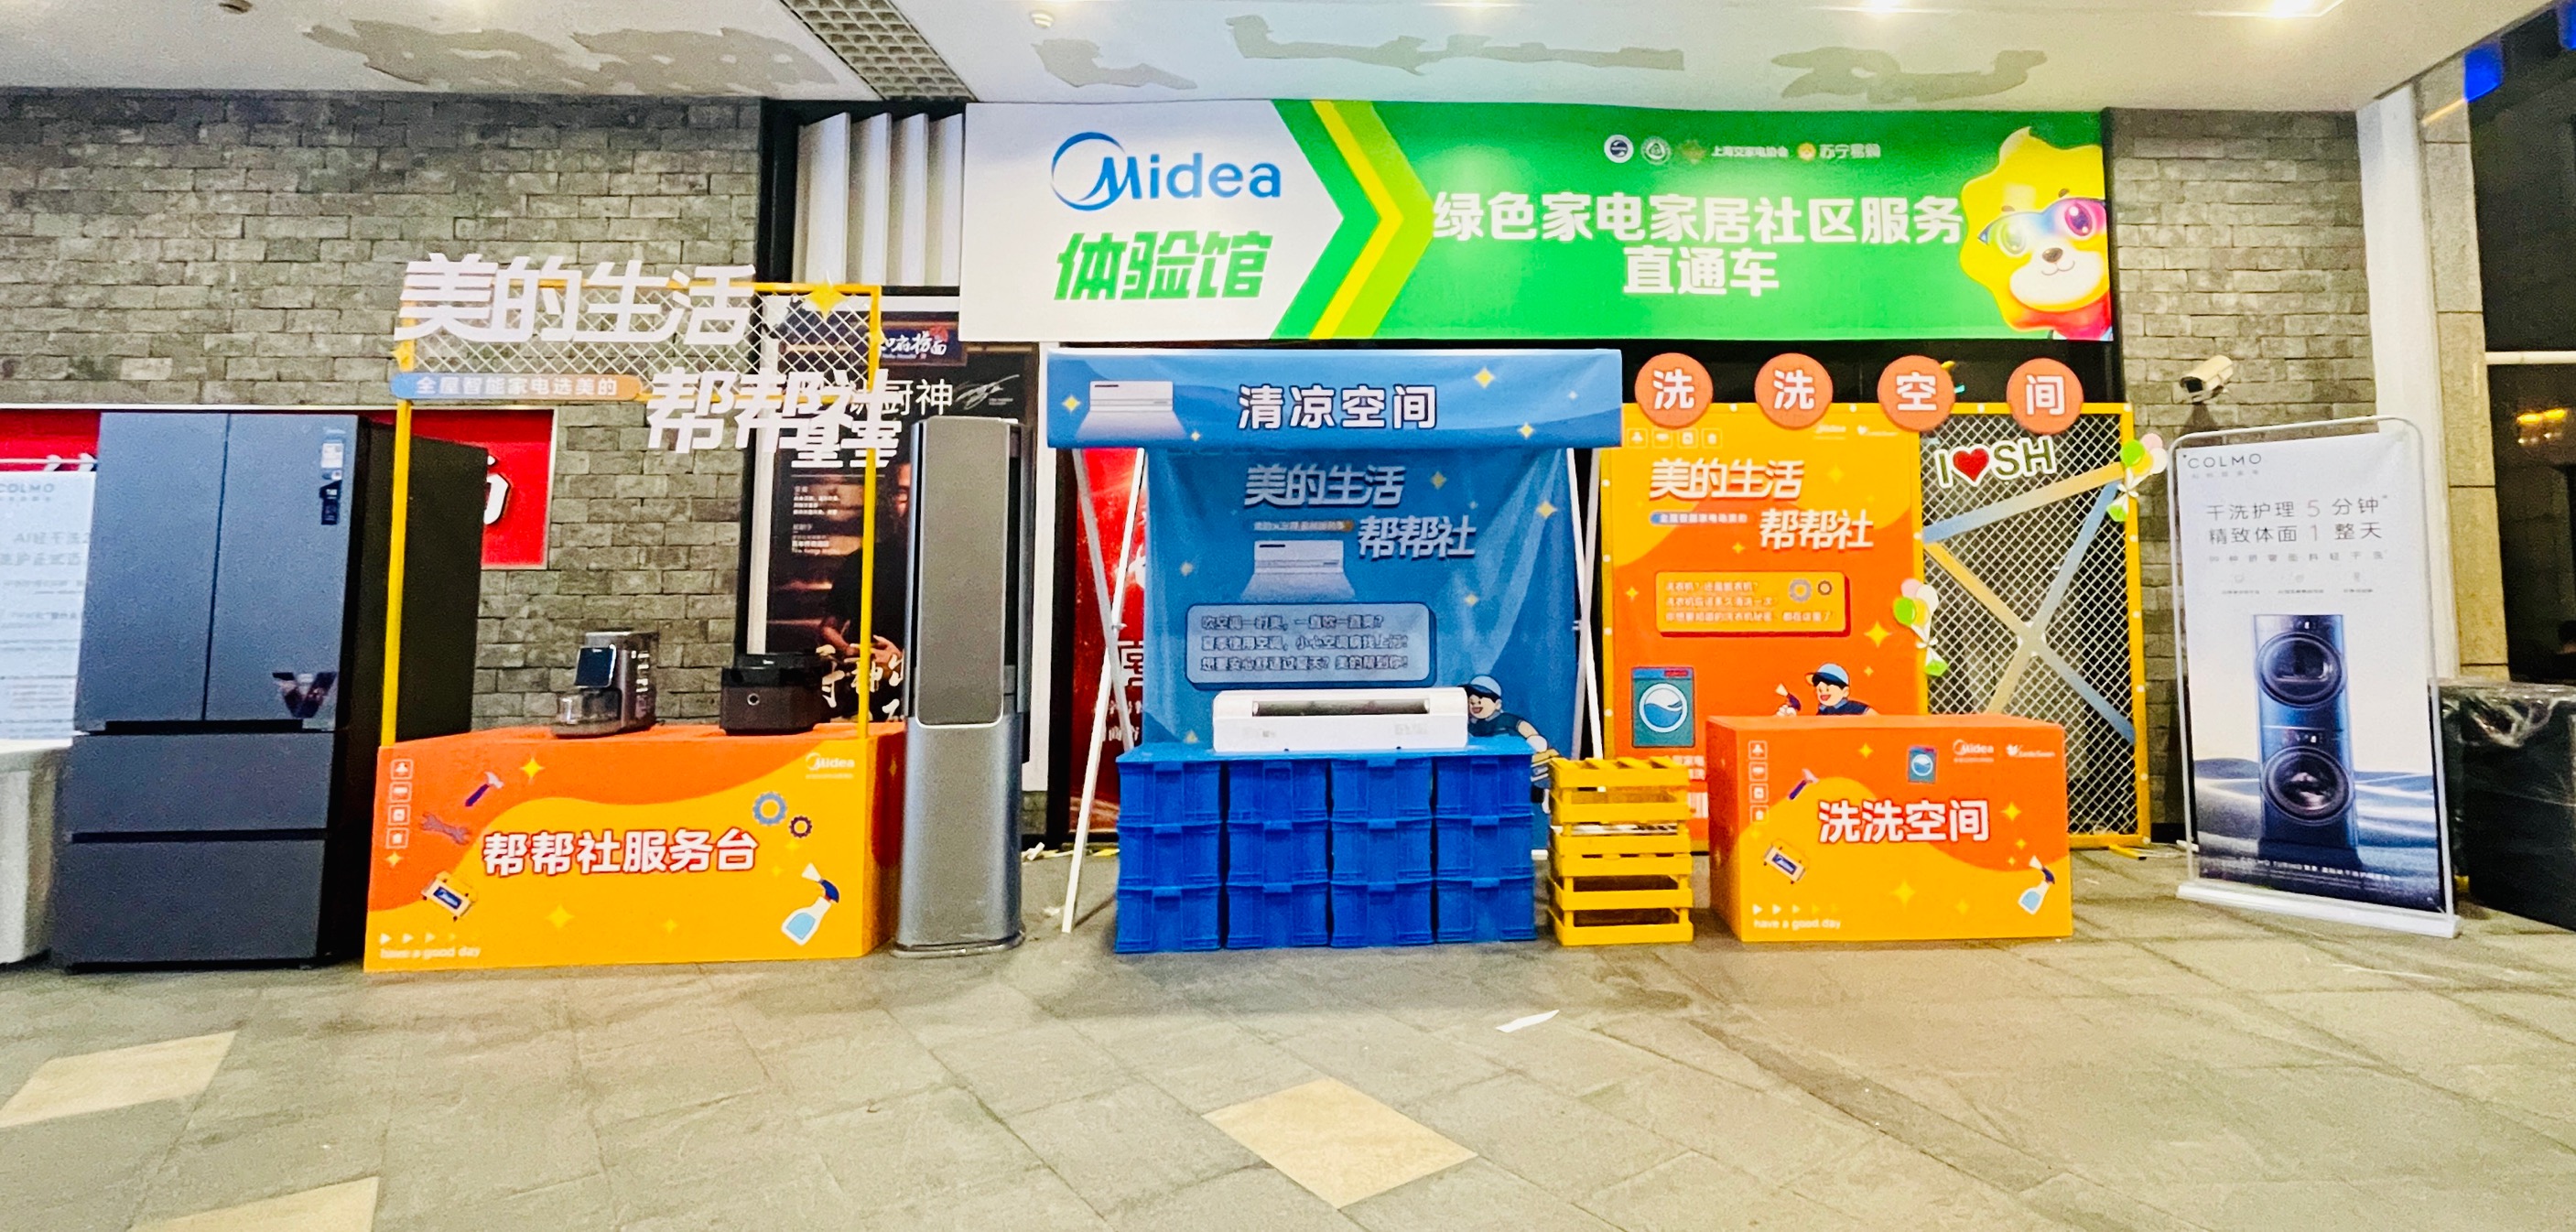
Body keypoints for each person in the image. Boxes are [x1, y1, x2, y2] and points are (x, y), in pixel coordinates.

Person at [1464, 675, 1556, 762]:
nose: (1474, 702)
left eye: (1480, 697)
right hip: (1482, 759)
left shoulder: (1504, 719)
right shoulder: (1473, 725)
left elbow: (1522, 726)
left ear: (1497, 704)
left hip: (1509, 758)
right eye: (1470, 699)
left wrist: (1534, 739)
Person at [1775, 663, 1875, 716]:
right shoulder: (1823, 711)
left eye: (1827, 688)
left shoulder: (1854, 707)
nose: (1822, 692)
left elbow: (1877, 720)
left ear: (1845, 692)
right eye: (1819, 689)